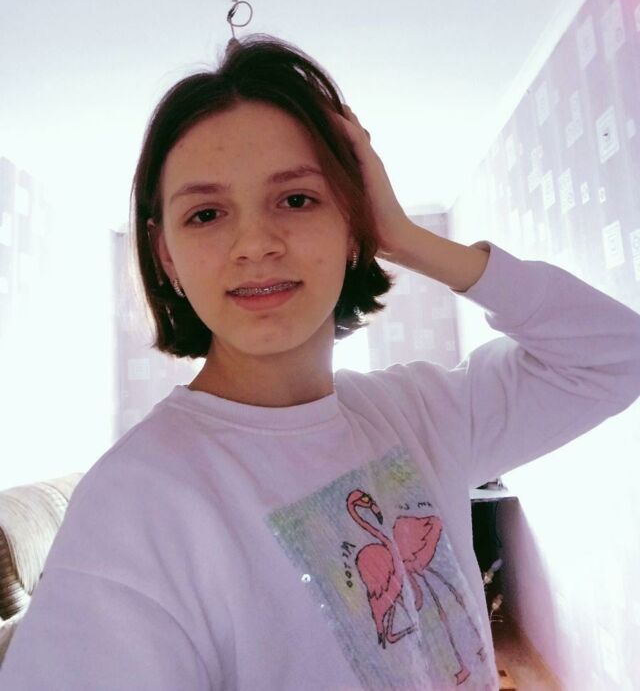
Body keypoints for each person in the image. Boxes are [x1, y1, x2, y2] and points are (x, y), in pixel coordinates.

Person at [2, 34, 640, 691]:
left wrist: (406, 238)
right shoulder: (136, 504)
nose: (255, 244)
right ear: (166, 255)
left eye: (297, 199)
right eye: (206, 213)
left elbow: (615, 353)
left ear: (352, 222)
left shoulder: (422, 413)